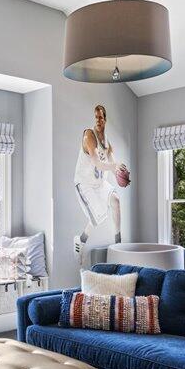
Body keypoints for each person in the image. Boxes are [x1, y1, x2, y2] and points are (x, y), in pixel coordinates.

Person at [73, 104, 125, 259]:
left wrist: (120, 172)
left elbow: (113, 163)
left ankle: (118, 243)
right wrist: (114, 166)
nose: (97, 120)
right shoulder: (89, 135)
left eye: (100, 117)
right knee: (97, 219)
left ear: (105, 119)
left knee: (115, 200)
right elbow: (98, 163)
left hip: (100, 183)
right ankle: (80, 241)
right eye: (95, 117)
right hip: (85, 183)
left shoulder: (107, 142)